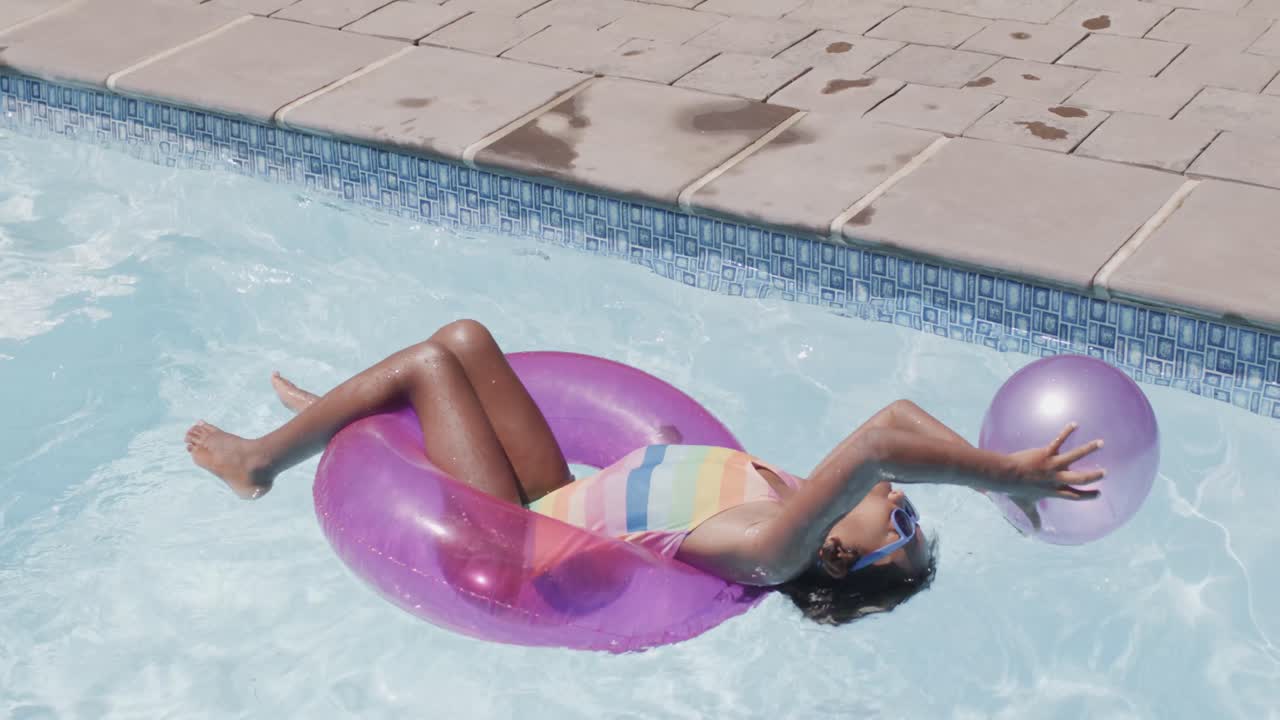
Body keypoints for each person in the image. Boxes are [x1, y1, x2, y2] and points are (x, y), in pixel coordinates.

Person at [185, 319, 1104, 625]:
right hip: (548, 503)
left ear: (833, 555)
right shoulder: (790, 498)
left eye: (895, 532)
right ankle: (348, 411)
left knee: (431, 366)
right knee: (466, 341)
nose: (900, 506)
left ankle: (260, 463)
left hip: (517, 551)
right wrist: (997, 482)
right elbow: (901, 426)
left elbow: (879, 443)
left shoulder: (767, 551)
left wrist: (1007, 474)